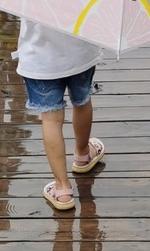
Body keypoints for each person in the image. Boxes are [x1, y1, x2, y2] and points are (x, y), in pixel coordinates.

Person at [12, 19, 105, 211]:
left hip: (39, 58)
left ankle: (62, 189)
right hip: (80, 52)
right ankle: (82, 154)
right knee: (82, 101)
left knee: (51, 119)